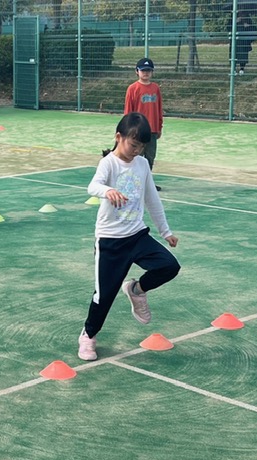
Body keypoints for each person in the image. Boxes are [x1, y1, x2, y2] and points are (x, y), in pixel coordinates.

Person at [78, 112, 180, 361]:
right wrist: (107, 191)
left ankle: (136, 289)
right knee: (104, 295)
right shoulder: (109, 163)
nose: (137, 151)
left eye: (141, 147)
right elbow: (93, 186)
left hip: (136, 235)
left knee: (169, 266)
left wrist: (165, 231)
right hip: (110, 240)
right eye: (133, 145)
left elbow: (152, 200)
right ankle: (88, 335)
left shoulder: (142, 164)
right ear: (118, 137)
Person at [124, 57, 163, 191]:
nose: (146, 73)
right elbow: (128, 111)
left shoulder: (155, 88)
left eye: (148, 71)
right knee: (136, 156)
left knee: (150, 157)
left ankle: (147, 183)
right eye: (143, 70)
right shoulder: (132, 89)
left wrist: (159, 126)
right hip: (138, 130)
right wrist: (129, 129)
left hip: (152, 130)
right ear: (137, 71)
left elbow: (159, 108)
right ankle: (134, 182)